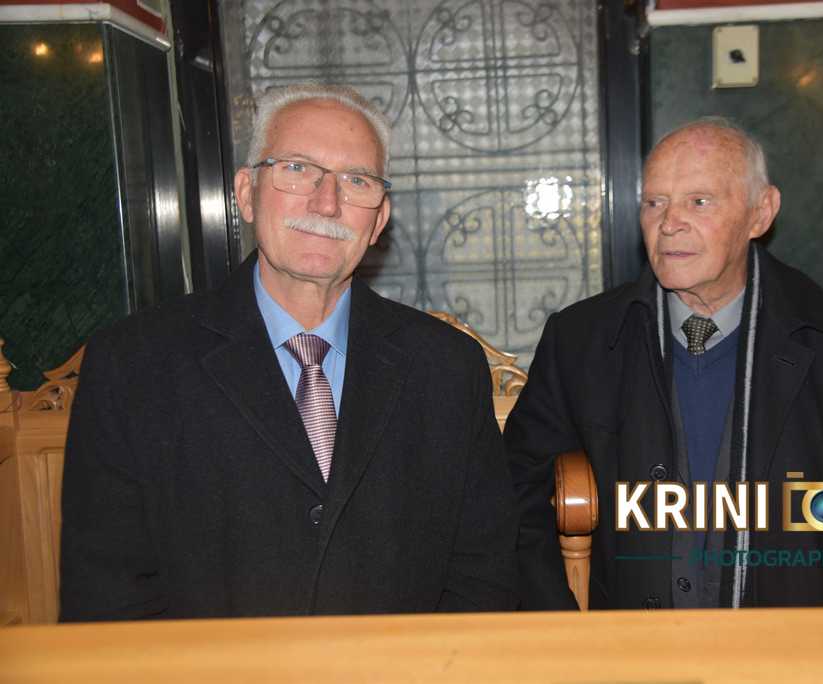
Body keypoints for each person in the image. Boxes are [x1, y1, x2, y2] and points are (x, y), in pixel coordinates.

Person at [60, 84, 517, 620]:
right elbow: (107, 597)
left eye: (357, 180)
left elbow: (484, 577)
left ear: (379, 220)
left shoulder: (446, 368)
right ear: (246, 193)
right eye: (298, 169)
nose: (327, 203)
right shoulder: (134, 366)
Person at [505, 117, 823, 610]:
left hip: (802, 641)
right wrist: (559, 626)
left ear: (761, 213)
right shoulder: (583, 340)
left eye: (700, 201)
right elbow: (512, 491)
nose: (669, 223)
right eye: (654, 203)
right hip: (636, 642)